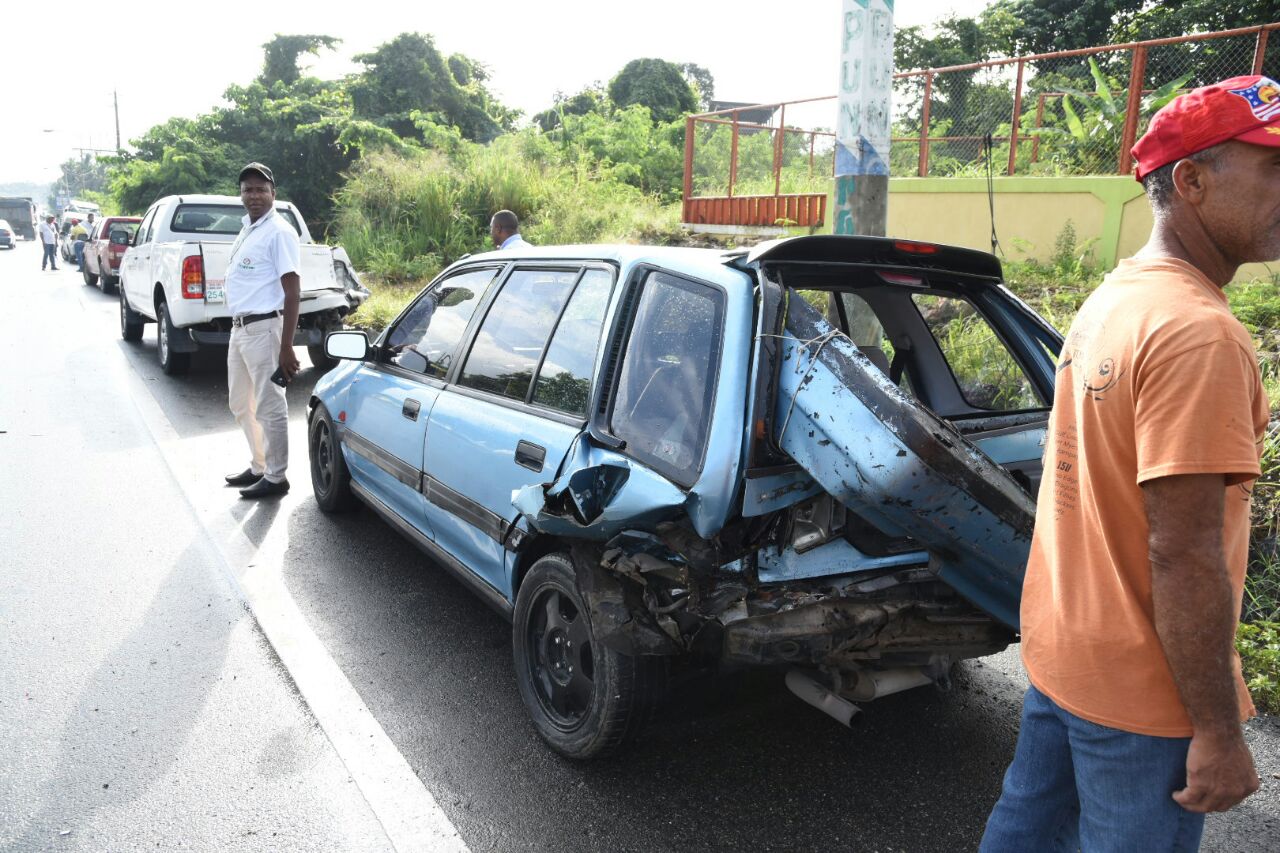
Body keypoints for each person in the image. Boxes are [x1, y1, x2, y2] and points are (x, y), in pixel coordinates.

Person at [981, 76, 1273, 851]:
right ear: (1193, 180)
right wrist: (1216, 730)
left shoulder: (1118, 295)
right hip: (1144, 697)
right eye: (1273, 169)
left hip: (1063, 653)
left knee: (1026, 833)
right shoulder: (1198, 332)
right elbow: (1182, 550)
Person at [222, 162, 301, 499]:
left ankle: (276, 476)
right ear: (241, 194)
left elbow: (292, 290)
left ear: (273, 193)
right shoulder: (249, 228)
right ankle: (259, 465)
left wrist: (286, 346)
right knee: (241, 403)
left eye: (260, 189)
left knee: (269, 405)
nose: (253, 195)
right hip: (240, 329)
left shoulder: (279, 231)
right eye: (247, 190)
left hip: (265, 328)